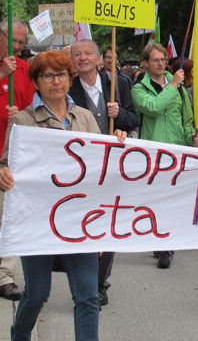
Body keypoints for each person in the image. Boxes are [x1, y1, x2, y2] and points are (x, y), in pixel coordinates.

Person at [0, 50, 127, 341]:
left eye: (61, 75)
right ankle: (19, 334)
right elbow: (7, 162)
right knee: (36, 294)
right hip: (38, 222)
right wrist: (3, 172)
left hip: (79, 221)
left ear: (69, 79)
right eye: (47, 75)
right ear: (37, 81)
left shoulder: (84, 118)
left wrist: (119, 140)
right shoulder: (22, 120)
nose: (55, 81)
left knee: (87, 296)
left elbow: (102, 161)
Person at [69, 39, 139, 306]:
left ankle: (99, 284)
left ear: (100, 60)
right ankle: (82, 282)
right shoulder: (68, 88)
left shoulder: (119, 85)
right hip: (81, 169)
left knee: (108, 224)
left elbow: (134, 121)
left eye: (88, 53)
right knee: (82, 223)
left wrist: (119, 113)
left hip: (113, 167)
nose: (83, 58)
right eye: (78, 54)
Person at [132, 43, 198, 269]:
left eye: (163, 60)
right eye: (155, 60)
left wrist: (192, 136)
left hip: (177, 150)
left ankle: (167, 240)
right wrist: (172, 85)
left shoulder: (178, 86)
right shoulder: (139, 88)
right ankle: (160, 244)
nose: (161, 64)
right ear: (146, 63)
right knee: (156, 198)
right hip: (153, 151)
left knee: (173, 198)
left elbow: (185, 118)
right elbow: (153, 107)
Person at [0, 19, 35, 301]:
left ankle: (5, 276)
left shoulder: (26, 70)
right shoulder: (6, 69)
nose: (17, 47)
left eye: (22, 42)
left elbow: (33, 108)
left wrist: (19, 117)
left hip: (9, 158)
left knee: (7, 218)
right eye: (13, 41)